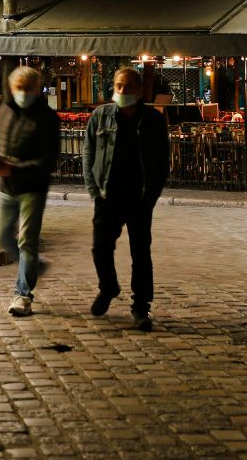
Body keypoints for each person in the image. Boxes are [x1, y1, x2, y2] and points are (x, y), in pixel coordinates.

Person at [82, 67, 170, 331]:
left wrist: (151, 195)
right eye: (119, 86)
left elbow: (162, 160)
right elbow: (89, 153)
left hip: (139, 196)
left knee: (140, 254)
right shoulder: (100, 116)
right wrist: (94, 191)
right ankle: (108, 287)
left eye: (128, 87)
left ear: (140, 90)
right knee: (100, 248)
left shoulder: (152, 120)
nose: (122, 92)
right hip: (108, 195)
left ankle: (141, 307)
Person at [0, 66, 61, 317]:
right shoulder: (4, 111)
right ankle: (34, 267)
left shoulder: (47, 118)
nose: (23, 93)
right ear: (12, 87)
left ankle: (23, 295)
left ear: (36, 89)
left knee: (27, 240)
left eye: (28, 88)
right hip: (6, 186)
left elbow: (48, 160)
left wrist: (12, 169)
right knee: (1, 235)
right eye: (19, 88)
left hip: (32, 187)